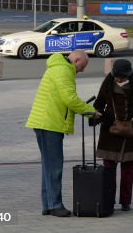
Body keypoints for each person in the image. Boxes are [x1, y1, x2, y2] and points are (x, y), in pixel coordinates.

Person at [25, 49, 97, 217]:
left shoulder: (60, 67)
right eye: (83, 66)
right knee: (54, 166)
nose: (82, 70)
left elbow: (66, 98)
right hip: (49, 123)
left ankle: (48, 205)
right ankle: (55, 205)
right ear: (77, 60)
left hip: (46, 121)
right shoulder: (63, 70)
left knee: (48, 166)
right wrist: (91, 111)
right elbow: (70, 99)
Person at [94, 58, 133, 212]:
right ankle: (109, 200)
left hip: (130, 130)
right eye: (116, 76)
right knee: (109, 168)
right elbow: (99, 102)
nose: (118, 79)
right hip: (109, 131)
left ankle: (126, 201)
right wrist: (98, 116)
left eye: (121, 77)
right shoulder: (109, 80)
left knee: (127, 168)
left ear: (128, 75)